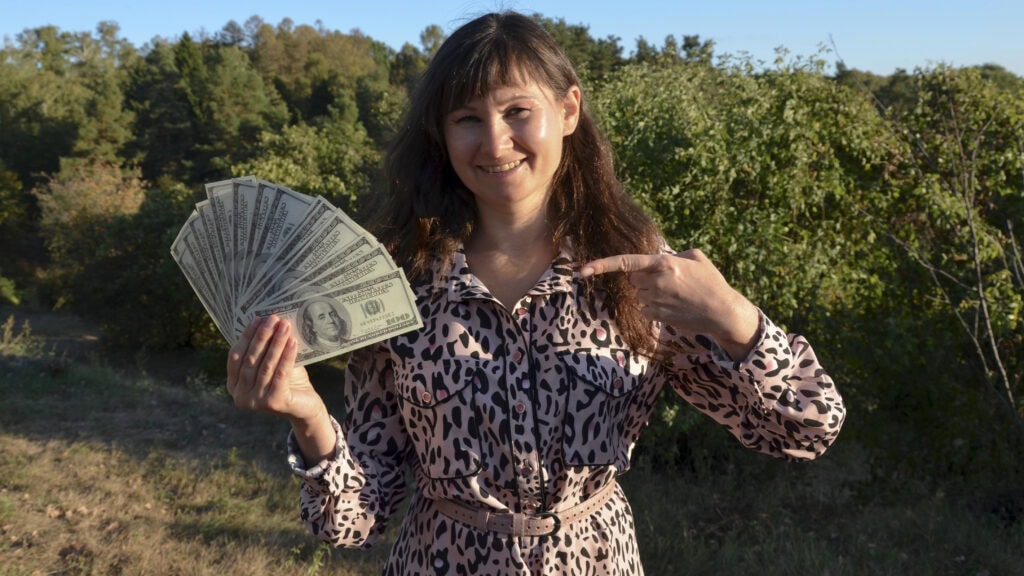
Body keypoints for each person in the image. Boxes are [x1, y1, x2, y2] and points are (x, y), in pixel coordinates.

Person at [226, 11, 845, 575]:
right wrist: (308, 416)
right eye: (468, 118)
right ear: (442, 136)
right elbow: (352, 521)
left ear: (568, 111)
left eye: (518, 111)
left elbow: (804, 431)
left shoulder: (637, 277)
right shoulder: (399, 283)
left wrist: (735, 319)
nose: (495, 143)